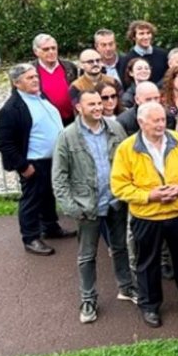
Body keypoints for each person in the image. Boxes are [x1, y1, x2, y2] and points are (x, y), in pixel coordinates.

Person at [109, 102, 178, 328]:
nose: (161, 124)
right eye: (155, 121)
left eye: (162, 119)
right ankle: (150, 306)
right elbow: (119, 187)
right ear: (141, 122)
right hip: (148, 216)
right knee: (147, 263)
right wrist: (149, 195)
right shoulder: (126, 148)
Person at [52, 89, 135, 322]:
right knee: (86, 256)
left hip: (116, 201)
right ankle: (88, 299)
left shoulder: (115, 128)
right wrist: (72, 208)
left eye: (100, 103)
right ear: (79, 107)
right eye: (92, 104)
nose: (99, 107)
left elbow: (127, 161)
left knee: (120, 247)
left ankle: (126, 288)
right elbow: (59, 177)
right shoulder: (67, 136)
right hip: (87, 207)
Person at [0, 64, 73, 256]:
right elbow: (3, 143)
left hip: (51, 159)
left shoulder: (40, 96)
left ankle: (50, 227)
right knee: (31, 199)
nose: (35, 79)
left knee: (48, 195)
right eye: (29, 78)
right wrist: (23, 166)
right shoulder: (11, 109)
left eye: (35, 76)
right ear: (17, 83)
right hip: (33, 162)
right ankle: (30, 238)